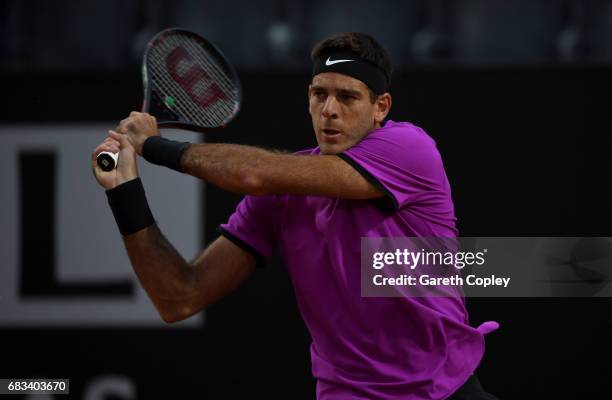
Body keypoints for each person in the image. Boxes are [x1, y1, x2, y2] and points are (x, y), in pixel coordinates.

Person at [91, 32, 499, 400]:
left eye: (348, 97)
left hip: (444, 391)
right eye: (319, 94)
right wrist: (125, 191)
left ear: (381, 107)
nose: (329, 110)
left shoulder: (410, 148)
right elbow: (178, 297)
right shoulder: (277, 197)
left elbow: (254, 173)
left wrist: (156, 148)